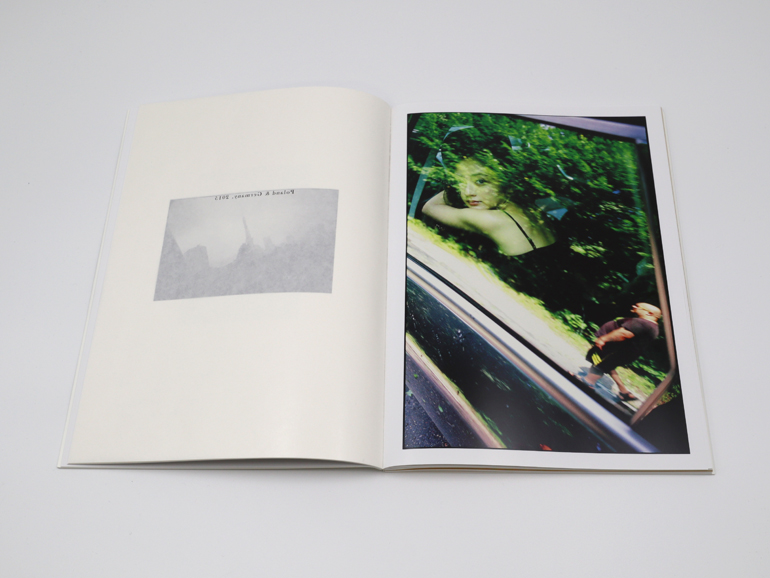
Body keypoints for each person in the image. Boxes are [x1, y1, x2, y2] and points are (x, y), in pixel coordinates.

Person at [422, 156, 555, 256]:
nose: (468, 192)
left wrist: (449, 187)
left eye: (481, 181)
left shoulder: (491, 220)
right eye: (460, 182)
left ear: (505, 184)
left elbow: (430, 207)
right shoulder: (533, 213)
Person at [583, 303, 662, 402]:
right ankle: (624, 391)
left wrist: (603, 339)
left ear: (649, 313)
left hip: (615, 350)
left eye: (638, 306)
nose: (634, 306)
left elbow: (624, 334)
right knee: (607, 365)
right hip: (622, 352)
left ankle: (588, 382)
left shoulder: (643, 323)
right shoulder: (653, 327)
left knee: (599, 363)